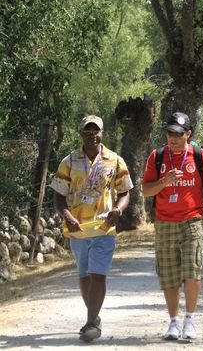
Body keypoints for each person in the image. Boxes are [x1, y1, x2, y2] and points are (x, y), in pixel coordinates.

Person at [50, 115, 133, 342]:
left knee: (98, 275)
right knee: (84, 276)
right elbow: (58, 195)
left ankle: (89, 322)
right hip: (77, 229)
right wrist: (66, 216)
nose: (92, 135)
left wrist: (118, 209)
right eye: (87, 131)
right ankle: (94, 317)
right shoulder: (69, 162)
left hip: (104, 228)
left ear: (102, 134)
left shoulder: (114, 160)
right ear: (81, 134)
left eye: (96, 131)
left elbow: (125, 191)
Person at [142, 112, 203, 340]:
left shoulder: (200, 156)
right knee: (168, 274)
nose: (173, 138)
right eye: (169, 133)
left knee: (192, 271)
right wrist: (164, 182)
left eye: (178, 134)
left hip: (192, 221)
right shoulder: (157, 157)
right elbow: (146, 191)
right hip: (165, 222)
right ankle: (174, 321)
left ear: (188, 134)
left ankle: (190, 320)